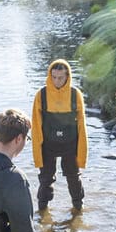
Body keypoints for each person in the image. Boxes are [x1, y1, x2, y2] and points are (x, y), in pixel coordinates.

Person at [31, 60, 88, 211]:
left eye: (60, 78)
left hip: (70, 145)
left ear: (67, 76)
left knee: (74, 178)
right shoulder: (41, 95)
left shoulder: (75, 95)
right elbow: (36, 127)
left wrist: (81, 155)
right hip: (48, 145)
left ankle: (78, 209)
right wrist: (37, 154)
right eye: (54, 77)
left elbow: (82, 127)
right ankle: (42, 210)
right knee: (45, 180)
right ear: (50, 75)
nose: (57, 81)